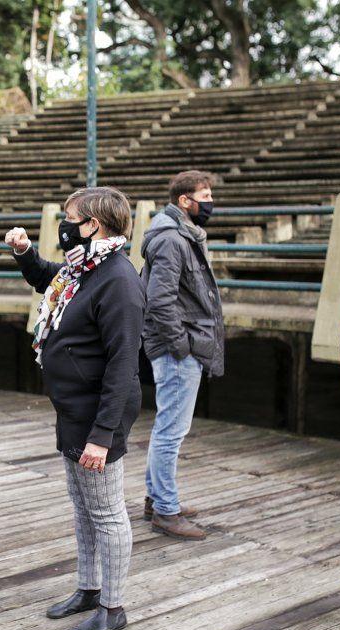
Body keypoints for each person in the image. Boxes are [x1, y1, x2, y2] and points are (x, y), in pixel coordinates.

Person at [4, 186, 145, 630]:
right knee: (83, 506)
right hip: (73, 408)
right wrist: (26, 254)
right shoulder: (85, 266)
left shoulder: (119, 280)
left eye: (70, 217)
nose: (64, 225)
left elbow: (124, 364)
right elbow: (50, 277)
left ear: (93, 225)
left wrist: (103, 435)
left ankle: (113, 605)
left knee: (107, 512)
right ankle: (88, 588)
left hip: (98, 415)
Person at [140, 170, 224, 540]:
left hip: (182, 343)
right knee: (171, 431)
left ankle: (156, 498)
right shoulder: (172, 240)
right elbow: (160, 300)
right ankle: (166, 511)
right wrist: (180, 345)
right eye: (203, 195)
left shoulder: (181, 234)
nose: (209, 202)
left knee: (168, 427)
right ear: (184, 201)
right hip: (178, 347)